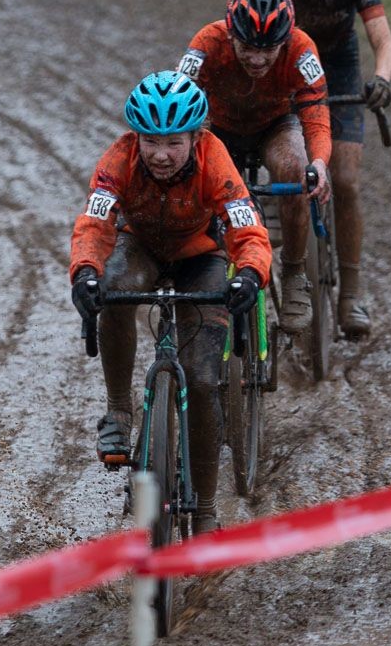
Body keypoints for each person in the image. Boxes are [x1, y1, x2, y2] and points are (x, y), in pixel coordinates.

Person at [69, 70, 272, 533]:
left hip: (200, 257)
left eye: (173, 143)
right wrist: (85, 271)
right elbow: (94, 223)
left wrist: (248, 275)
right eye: (151, 141)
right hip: (139, 247)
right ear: (136, 137)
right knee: (113, 289)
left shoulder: (215, 161)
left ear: (196, 137)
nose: (160, 155)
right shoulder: (119, 158)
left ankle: (203, 509)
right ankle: (120, 410)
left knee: (201, 380)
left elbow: (248, 230)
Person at [259, 0, 391, 339]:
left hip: (337, 66)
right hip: (288, 65)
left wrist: (380, 79)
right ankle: (281, 205)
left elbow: (384, 41)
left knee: (346, 180)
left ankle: (350, 295)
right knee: (281, 143)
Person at [176, 0, 331, 336]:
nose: (258, 59)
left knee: (295, 167)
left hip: (274, 125)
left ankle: (293, 272)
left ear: (285, 40)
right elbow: (180, 99)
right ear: (231, 33)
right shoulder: (207, 41)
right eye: (248, 48)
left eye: (268, 49)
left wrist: (320, 163)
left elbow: (317, 115)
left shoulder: (301, 48)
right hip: (218, 125)